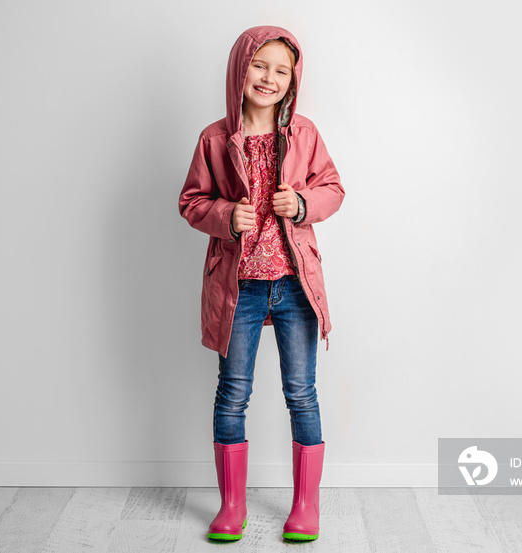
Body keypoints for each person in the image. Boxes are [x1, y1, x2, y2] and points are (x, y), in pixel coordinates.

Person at [178, 25, 345, 542]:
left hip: (295, 285)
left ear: (293, 77)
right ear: (239, 70)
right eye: (259, 66)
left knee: (302, 393)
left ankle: (305, 507)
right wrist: (227, 215)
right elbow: (190, 201)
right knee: (232, 393)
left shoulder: (306, 135)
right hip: (239, 288)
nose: (269, 78)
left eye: (281, 69)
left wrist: (301, 204)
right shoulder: (213, 138)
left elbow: (333, 188)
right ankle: (231, 508)